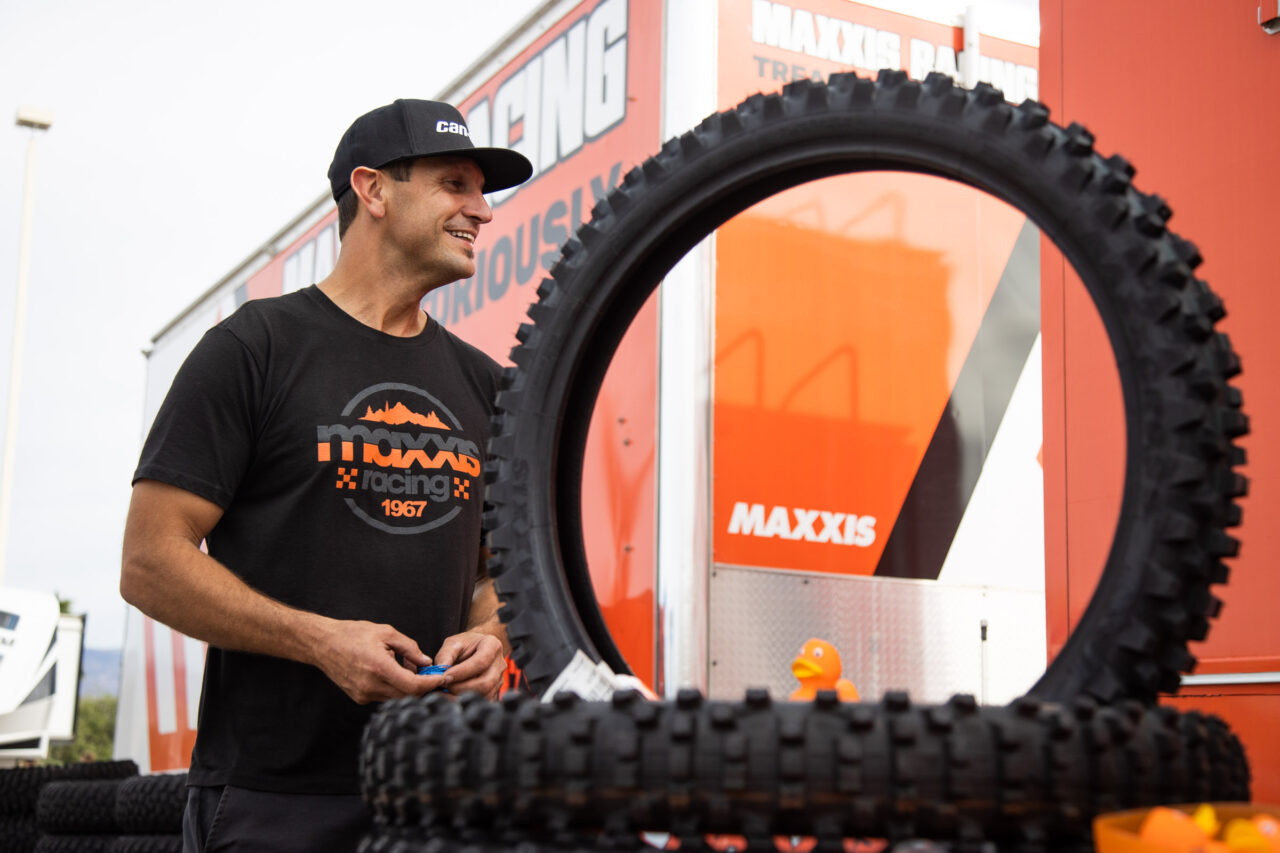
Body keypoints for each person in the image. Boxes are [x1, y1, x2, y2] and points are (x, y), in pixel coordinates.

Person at [119, 99, 533, 852]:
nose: (482, 210)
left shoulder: (484, 384)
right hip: (271, 801)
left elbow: (494, 570)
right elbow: (150, 561)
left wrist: (493, 633)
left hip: (433, 794)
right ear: (373, 191)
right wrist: (320, 642)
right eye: (455, 185)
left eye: (482, 190)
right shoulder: (254, 348)